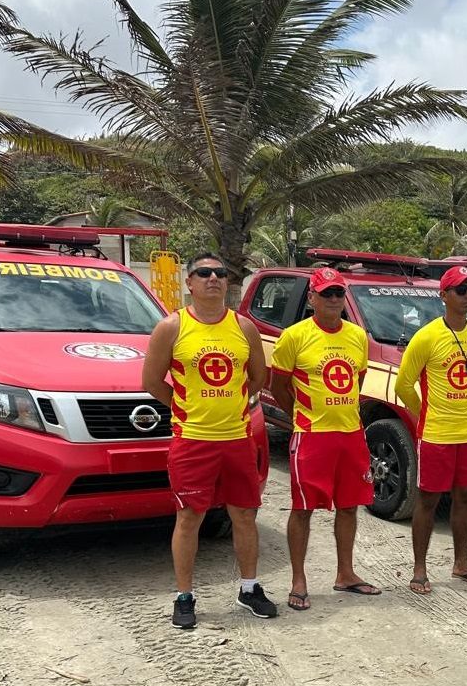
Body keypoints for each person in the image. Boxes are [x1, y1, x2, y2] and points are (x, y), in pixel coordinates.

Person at [143, 251, 275, 629]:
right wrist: (182, 408)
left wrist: (239, 406)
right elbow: (152, 382)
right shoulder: (172, 327)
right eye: (204, 273)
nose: (213, 278)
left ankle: (249, 588)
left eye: (220, 272)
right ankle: (184, 597)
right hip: (193, 440)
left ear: (228, 281)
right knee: (189, 517)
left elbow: (258, 376)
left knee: (244, 515)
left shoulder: (243, 327)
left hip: (237, 437)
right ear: (190, 282)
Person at [270, 267, 380, 611]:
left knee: (349, 506)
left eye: (338, 294)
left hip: (350, 434)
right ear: (312, 298)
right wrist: (300, 417)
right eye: (327, 294)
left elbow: (356, 381)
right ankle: (298, 579)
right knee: (303, 509)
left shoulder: (357, 336)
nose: (334, 300)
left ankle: (345, 573)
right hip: (312, 436)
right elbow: (278, 387)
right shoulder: (295, 337)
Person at [394, 265, 467, 594]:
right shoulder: (427, 336)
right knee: (428, 500)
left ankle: (461, 563)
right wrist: (424, 413)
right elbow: (404, 384)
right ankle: (419, 568)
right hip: (436, 434)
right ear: (444, 295)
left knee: (466, 497)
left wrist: (465, 404)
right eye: (460, 291)